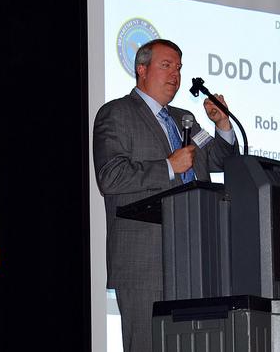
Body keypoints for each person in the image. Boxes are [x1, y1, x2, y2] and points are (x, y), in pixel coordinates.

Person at [93, 39, 238, 352]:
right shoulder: (116, 114)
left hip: (196, 260)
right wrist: (169, 167)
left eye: (179, 68)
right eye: (167, 65)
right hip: (145, 262)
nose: (176, 74)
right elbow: (110, 176)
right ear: (141, 70)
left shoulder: (185, 118)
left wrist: (222, 124)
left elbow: (220, 159)